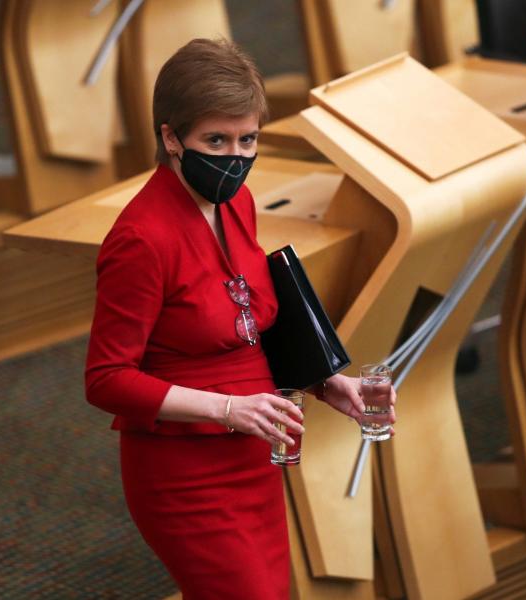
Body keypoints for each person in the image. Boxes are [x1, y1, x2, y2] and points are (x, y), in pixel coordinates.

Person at [84, 38, 395, 599]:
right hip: (186, 473)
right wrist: (227, 407)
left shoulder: (237, 204)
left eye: (247, 139)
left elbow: (248, 319)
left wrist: (325, 383)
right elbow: (106, 380)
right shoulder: (140, 240)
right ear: (171, 137)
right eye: (215, 140)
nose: (234, 157)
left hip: (253, 452)